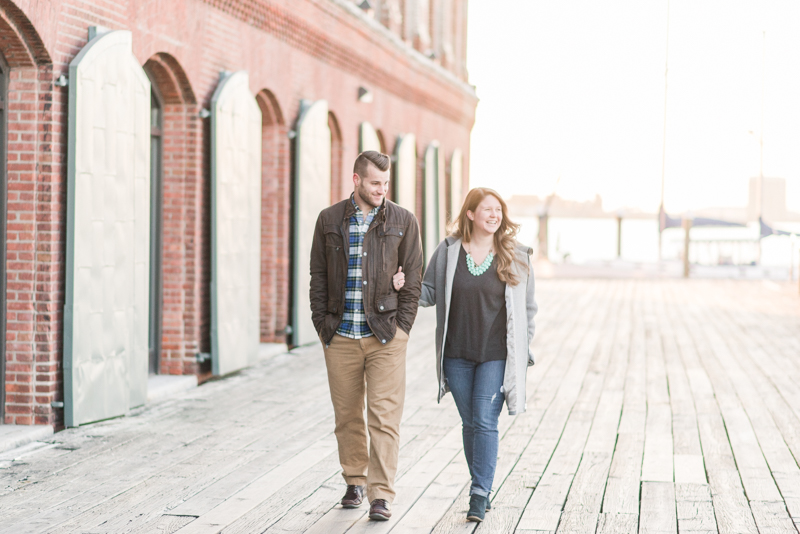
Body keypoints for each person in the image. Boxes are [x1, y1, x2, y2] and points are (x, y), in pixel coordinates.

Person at [392, 187, 537, 522]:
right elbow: (427, 292)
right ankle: (481, 485)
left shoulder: (515, 254)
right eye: (487, 209)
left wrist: (523, 349)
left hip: (496, 355)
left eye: (498, 210)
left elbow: (528, 308)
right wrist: (401, 285)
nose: (494, 216)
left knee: (485, 421)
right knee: (470, 422)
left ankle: (479, 493)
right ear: (470, 214)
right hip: (456, 353)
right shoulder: (448, 251)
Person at [309, 151, 423, 521]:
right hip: (340, 334)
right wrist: (322, 325)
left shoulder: (403, 220)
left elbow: (414, 278)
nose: (382, 190)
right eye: (375, 183)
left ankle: (381, 494)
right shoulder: (328, 220)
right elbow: (319, 276)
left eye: (386, 183)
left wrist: (403, 329)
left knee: (384, 416)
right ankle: (355, 481)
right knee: (347, 415)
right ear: (356, 180)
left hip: (386, 335)